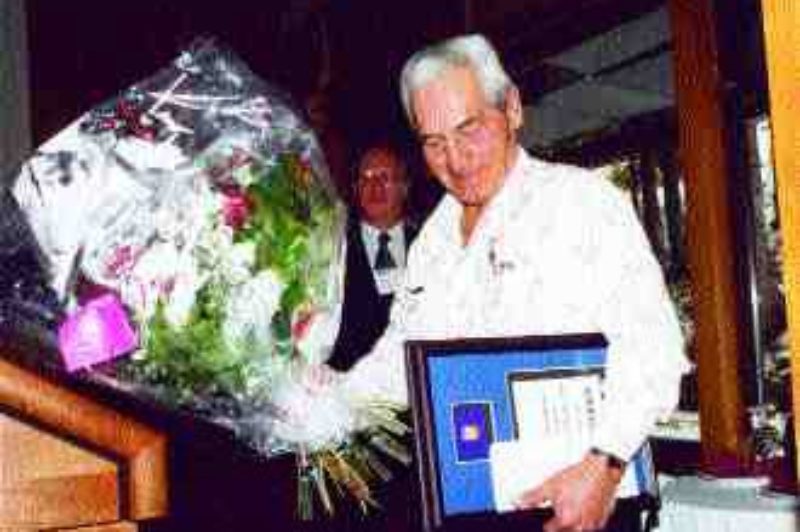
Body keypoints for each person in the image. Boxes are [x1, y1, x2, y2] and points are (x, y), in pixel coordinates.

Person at [339, 34, 689, 531]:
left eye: (469, 130)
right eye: (434, 143)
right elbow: (404, 358)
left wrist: (606, 465)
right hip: (471, 504)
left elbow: (654, 349)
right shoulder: (433, 241)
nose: (456, 160)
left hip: (580, 499)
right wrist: (325, 400)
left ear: (513, 109)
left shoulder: (581, 204)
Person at [328, 143, 418, 370]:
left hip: (415, 382)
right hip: (347, 385)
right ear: (356, 188)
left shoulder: (428, 245)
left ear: (404, 187)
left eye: (384, 177)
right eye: (366, 179)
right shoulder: (333, 248)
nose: (375, 186)